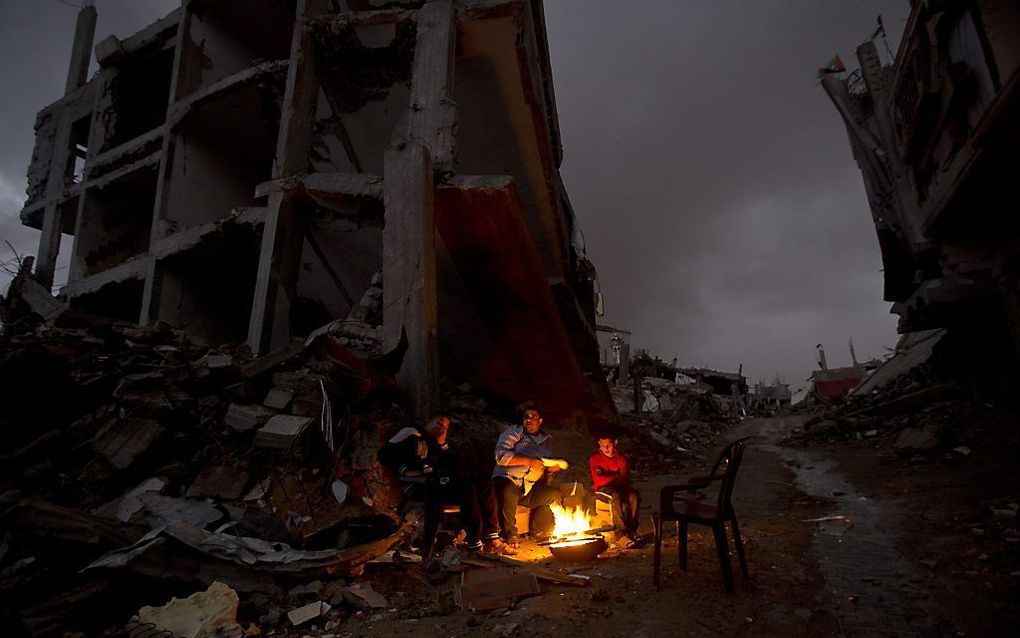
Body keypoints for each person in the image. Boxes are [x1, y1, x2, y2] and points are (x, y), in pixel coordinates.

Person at [379, 415, 512, 554]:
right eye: (438, 423)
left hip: (440, 482)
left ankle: (491, 537)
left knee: (484, 483)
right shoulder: (411, 432)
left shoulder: (436, 442)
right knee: (467, 488)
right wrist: (405, 470)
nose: (440, 428)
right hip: (418, 485)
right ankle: (475, 542)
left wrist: (442, 444)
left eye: (444, 427)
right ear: (429, 421)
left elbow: (452, 466)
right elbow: (384, 453)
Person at [492, 408, 566, 545]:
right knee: (508, 489)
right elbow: (501, 456)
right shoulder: (515, 432)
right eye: (526, 416)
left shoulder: (546, 442)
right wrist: (529, 461)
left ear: (540, 421)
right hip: (508, 479)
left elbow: (542, 467)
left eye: (533, 417)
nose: (529, 419)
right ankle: (510, 534)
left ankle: (539, 532)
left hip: (528, 488)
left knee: (552, 494)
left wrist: (550, 470)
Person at [589, 435, 642, 547]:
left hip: (621, 486)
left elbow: (624, 477)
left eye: (608, 445)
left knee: (634, 496)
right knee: (615, 496)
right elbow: (598, 480)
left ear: (615, 443)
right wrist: (615, 477)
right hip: (603, 489)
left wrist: (608, 477)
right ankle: (620, 534)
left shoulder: (621, 458)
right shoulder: (595, 458)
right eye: (602, 446)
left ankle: (632, 530)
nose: (606, 449)